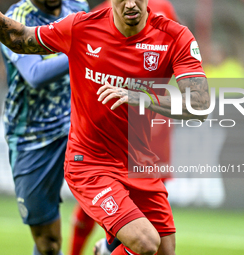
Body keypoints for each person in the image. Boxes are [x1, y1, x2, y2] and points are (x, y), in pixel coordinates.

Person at [0, 0, 210, 254]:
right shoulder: (81, 27)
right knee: (146, 242)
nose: (130, 4)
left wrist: (143, 97)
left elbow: (200, 105)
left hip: (138, 161)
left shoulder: (175, 36)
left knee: (165, 251)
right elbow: (18, 37)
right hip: (89, 162)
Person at [69, 1, 179, 254]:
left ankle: (108, 248)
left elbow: (173, 60)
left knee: (156, 239)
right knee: (108, 214)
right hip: (105, 135)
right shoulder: (102, 14)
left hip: (146, 135)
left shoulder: (166, 14)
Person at [0, 0, 88, 255]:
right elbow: (35, 74)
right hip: (33, 137)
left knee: (120, 201)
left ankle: (108, 246)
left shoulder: (78, 6)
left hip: (77, 126)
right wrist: (82, 51)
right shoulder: (16, 18)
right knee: (49, 243)